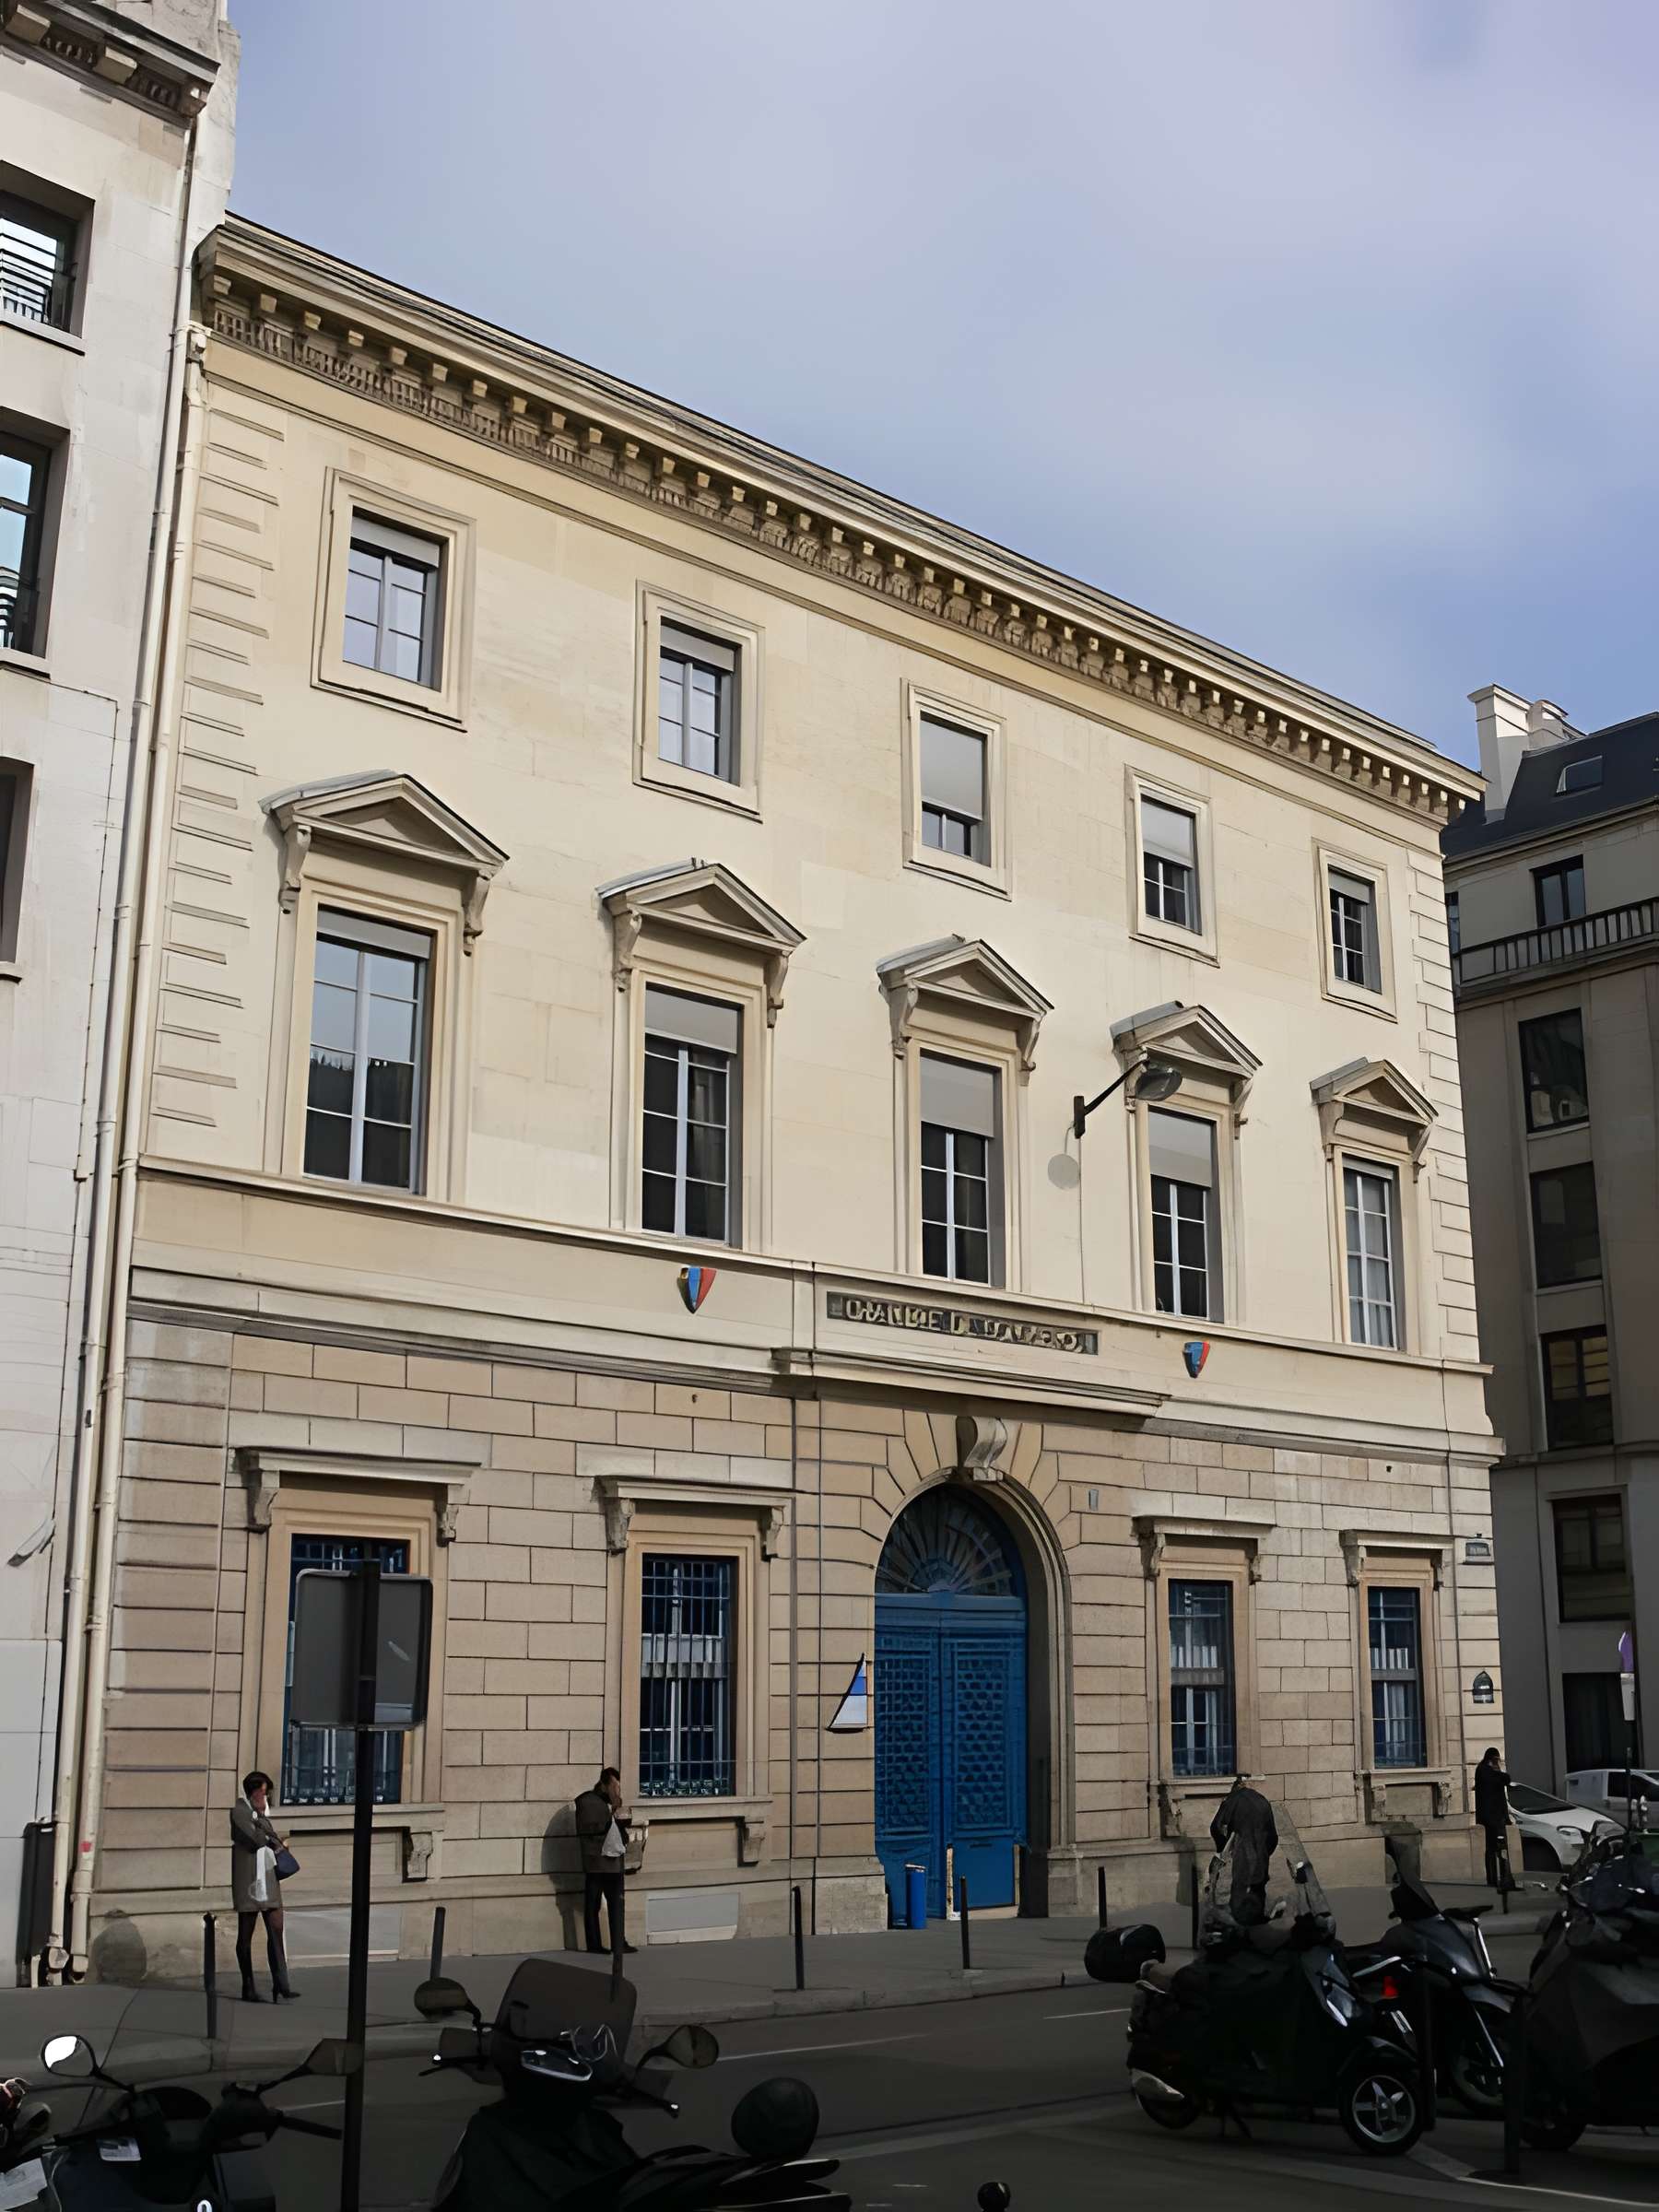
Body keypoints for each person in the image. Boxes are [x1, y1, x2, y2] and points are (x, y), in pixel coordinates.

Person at [229, 1771, 297, 2002]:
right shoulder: (240, 1812)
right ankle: (248, 1986)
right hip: (248, 1882)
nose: (265, 1797)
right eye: (263, 1792)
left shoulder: (259, 1815)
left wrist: (263, 1822)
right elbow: (257, 1841)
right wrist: (259, 1817)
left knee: (276, 1930)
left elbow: (272, 1838)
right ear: (254, 1791)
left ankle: (282, 1984)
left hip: (268, 1880)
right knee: (245, 1937)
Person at [574, 1767, 635, 1956]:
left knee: (617, 1903)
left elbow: (618, 1831)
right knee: (593, 1904)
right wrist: (612, 1820)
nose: (616, 1791)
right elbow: (589, 1829)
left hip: (613, 1862)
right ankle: (594, 1944)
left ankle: (619, 1942)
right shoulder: (587, 1801)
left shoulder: (612, 1803)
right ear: (603, 1785)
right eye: (614, 1786)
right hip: (596, 1863)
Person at [1210, 1771, 1278, 1925]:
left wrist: (1222, 1849)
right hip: (1261, 1851)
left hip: (1243, 1849)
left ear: (1234, 1788)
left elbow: (1216, 1827)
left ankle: (1239, 1926)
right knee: (1258, 1887)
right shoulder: (1263, 1800)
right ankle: (1257, 1925)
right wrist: (1266, 1853)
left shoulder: (1231, 1800)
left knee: (1240, 1887)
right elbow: (1273, 1836)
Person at [1474, 1747, 1512, 1892]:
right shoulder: (1485, 1770)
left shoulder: (1487, 1771)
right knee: (1496, 1848)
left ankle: (1500, 1878)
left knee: (1496, 1848)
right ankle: (1497, 1878)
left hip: (1496, 1817)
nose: (1498, 1763)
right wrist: (1497, 1769)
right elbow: (1505, 1779)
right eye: (1496, 1760)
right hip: (1492, 1818)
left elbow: (1505, 1781)